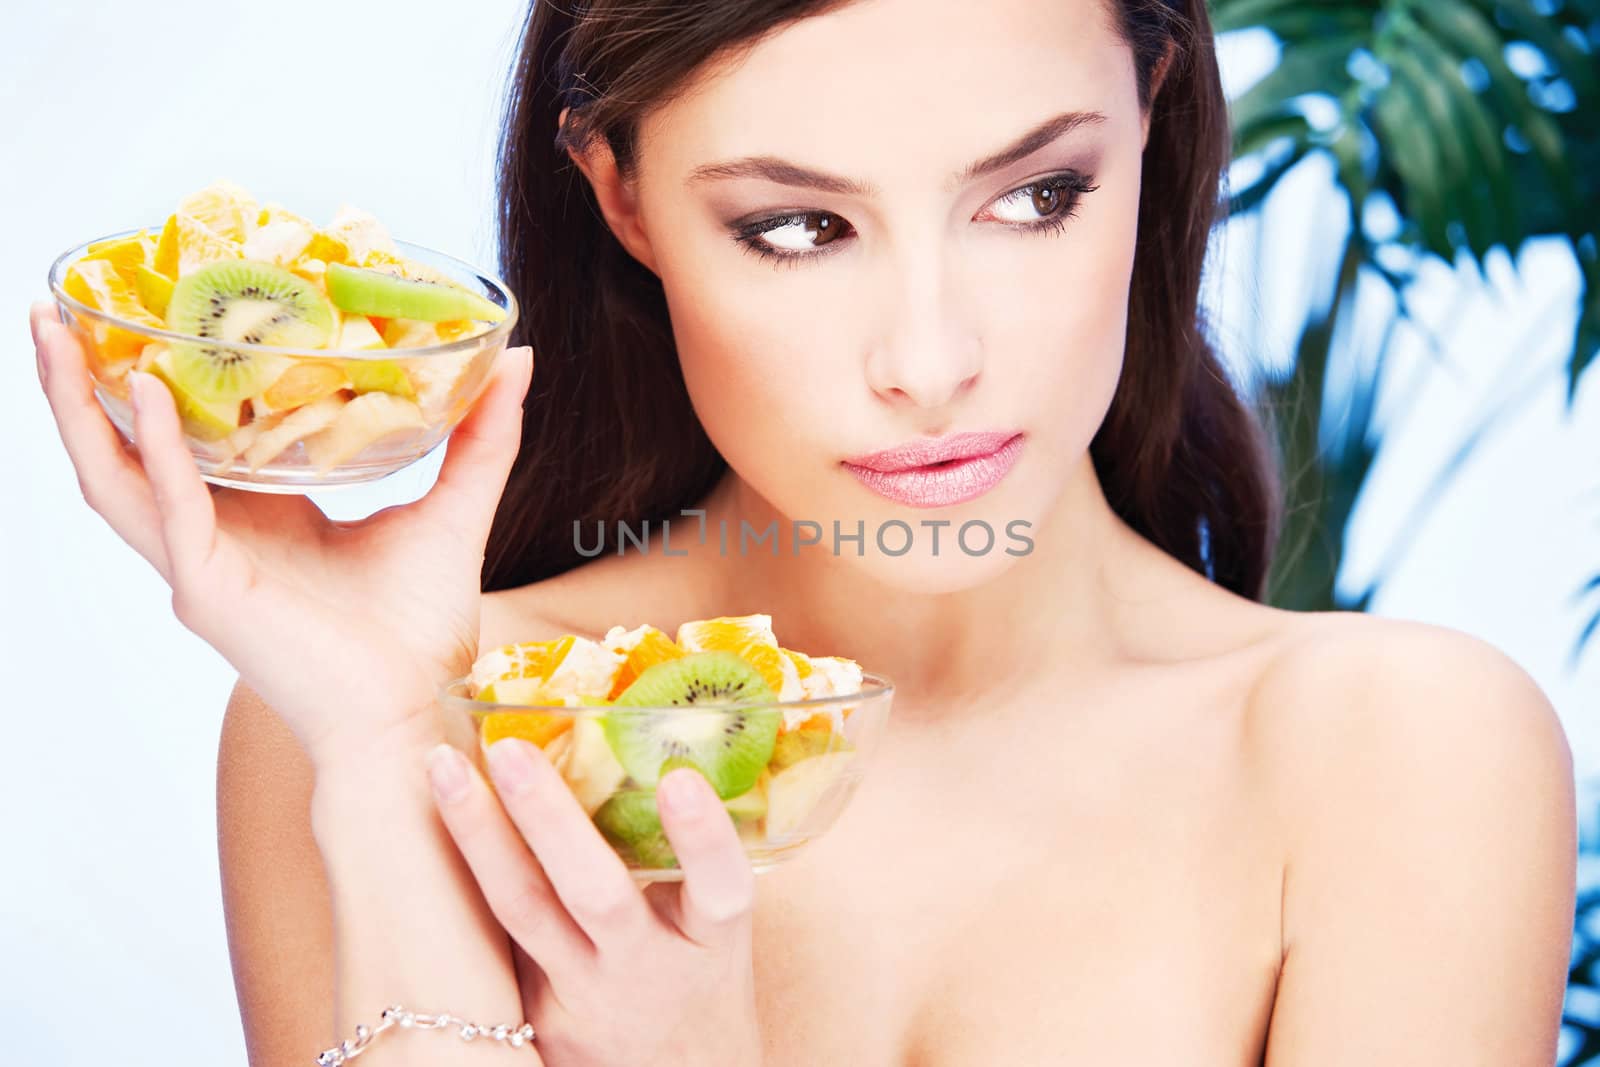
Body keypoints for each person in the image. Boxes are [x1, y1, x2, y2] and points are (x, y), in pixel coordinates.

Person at [31, 0, 1577, 1062]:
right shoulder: (396, 719)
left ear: (1152, 116)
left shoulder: (1390, 754)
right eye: (797, 226)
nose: (932, 356)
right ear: (621, 198)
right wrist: (376, 768)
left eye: (1037, 195)